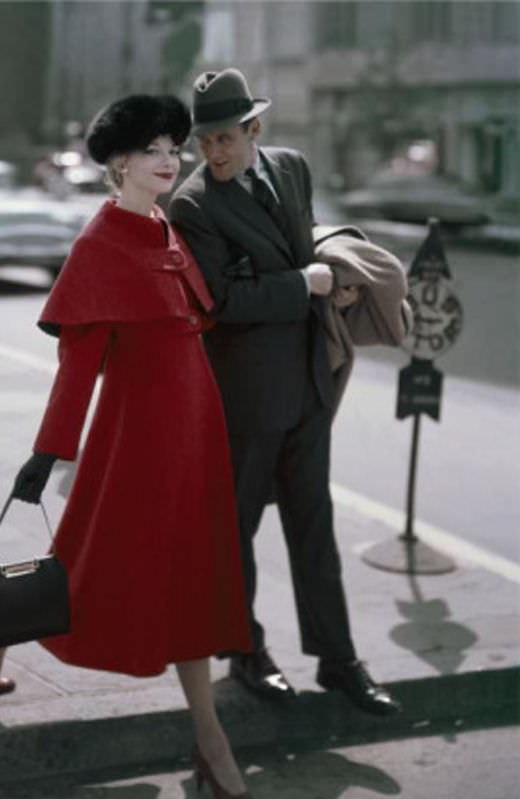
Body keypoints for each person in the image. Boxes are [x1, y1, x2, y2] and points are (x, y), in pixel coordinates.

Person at [0, 94, 260, 799]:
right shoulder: (99, 246)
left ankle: (209, 741)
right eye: (154, 148)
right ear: (118, 161)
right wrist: (48, 451)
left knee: (194, 582)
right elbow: (78, 369)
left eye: (173, 148)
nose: (169, 159)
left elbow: (195, 328)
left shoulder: (165, 229)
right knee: (107, 578)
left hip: (197, 435)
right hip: (138, 445)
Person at [170, 68, 401, 715]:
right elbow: (221, 299)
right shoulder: (192, 206)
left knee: (314, 526)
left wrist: (329, 282)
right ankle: (246, 653)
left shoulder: (292, 169)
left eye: (224, 139)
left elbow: (297, 252)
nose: (212, 153)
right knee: (235, 528)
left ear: (254, 130)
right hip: (243, 397)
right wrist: (305, 284)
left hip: (308, 382)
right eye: (203, 142)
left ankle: (338, 660)